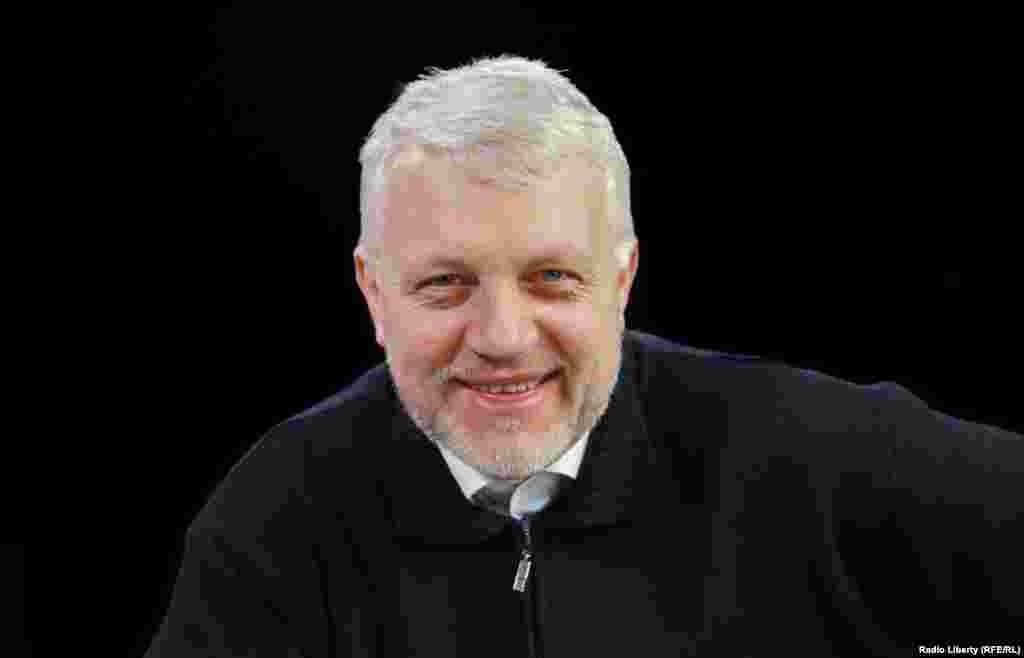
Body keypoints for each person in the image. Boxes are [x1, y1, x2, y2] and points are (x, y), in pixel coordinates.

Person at [145, 55, 1022, 657]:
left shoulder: (809, 456)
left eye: (552, 279)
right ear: (374, 295)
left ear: (622, 278)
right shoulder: (278, 523)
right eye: (446, 285)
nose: (502, 337)